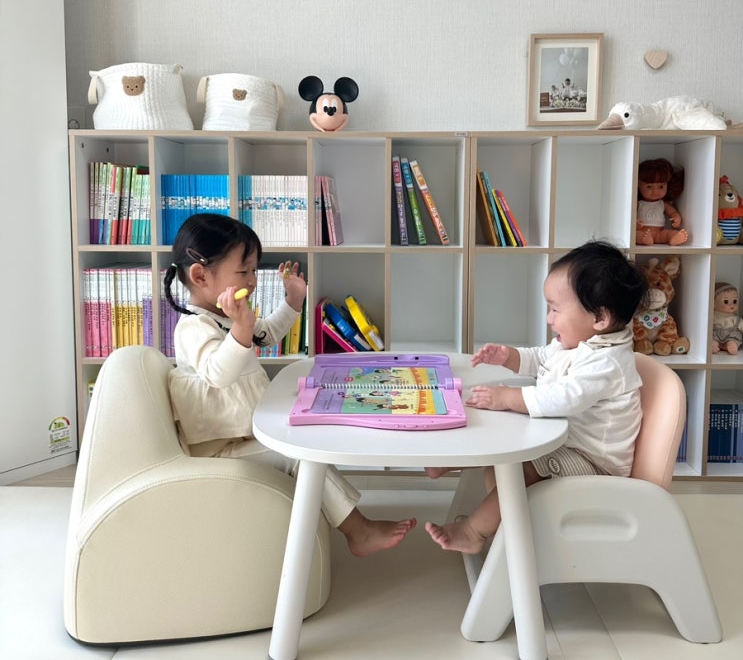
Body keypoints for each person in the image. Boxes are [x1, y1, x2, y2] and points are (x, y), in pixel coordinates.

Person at [165, 213, 416, 556]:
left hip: (245, 434)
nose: (252, 281)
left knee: (308, 431)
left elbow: (266, 334)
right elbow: (217, 372)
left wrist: (293, 301)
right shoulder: (193, 328)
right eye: (243, 271)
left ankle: (339, 512)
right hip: (218, 450)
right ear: (200, 275)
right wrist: (240, 328)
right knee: (299, 456)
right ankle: (359, 532)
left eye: (254, 270)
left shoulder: (225, 316)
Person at [425, 240, 647, 554]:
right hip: (567, 442)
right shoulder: (580, 343)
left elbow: (563, 398)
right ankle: (451, 463)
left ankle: (474, 532)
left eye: (555, 309)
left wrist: (507, 397)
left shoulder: (607, 363)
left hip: (594, 464)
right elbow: (543, 358)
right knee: (503, 441)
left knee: (521, 468)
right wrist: (509, 356)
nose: (548, 318)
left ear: (600, 318)